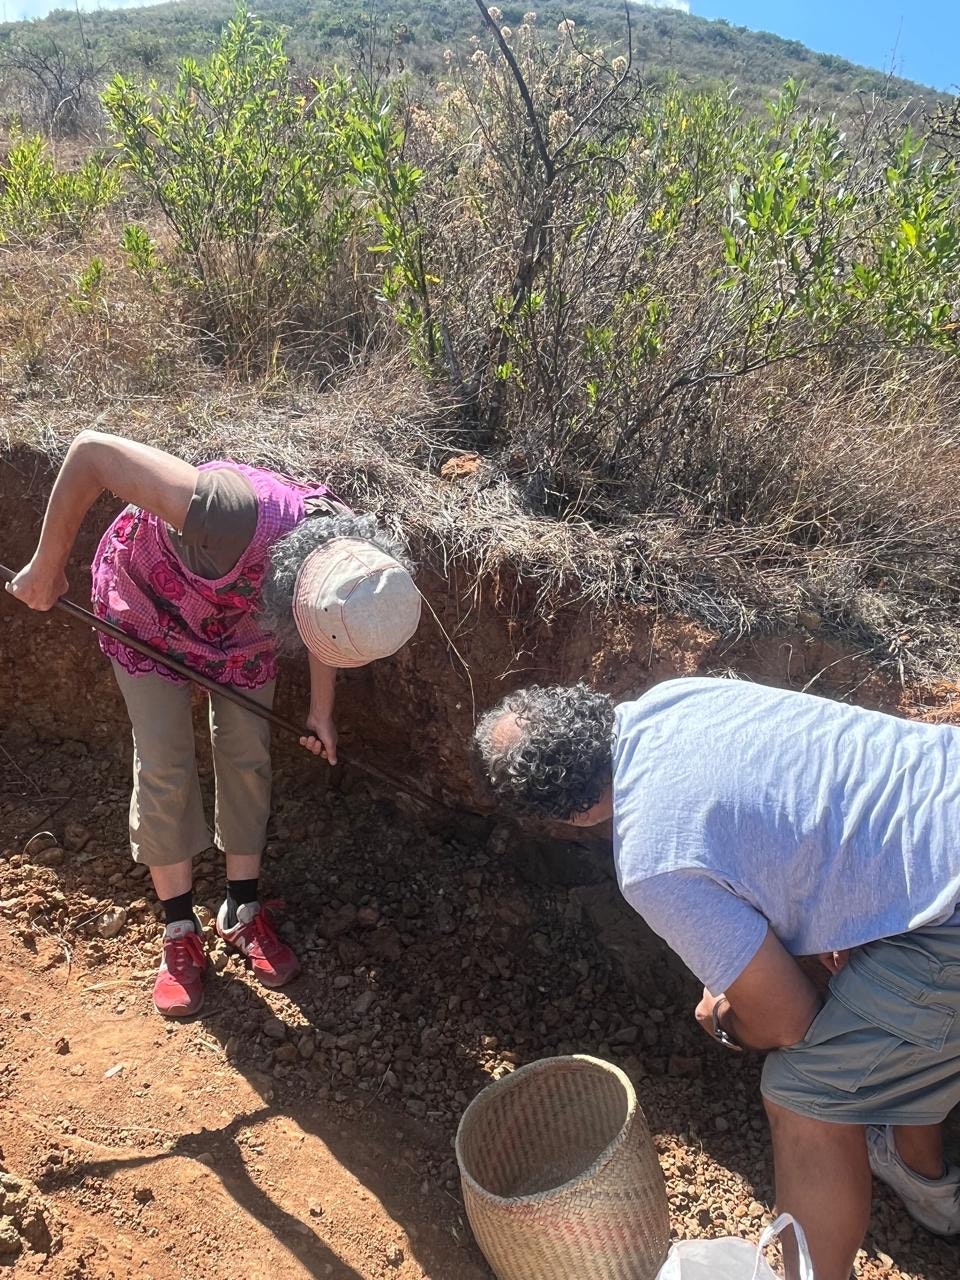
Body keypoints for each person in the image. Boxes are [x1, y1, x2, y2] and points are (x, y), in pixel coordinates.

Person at [474, 677, 960, 1280]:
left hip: (947, 922)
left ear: (566, 816)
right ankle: (922, 1175)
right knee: (875, 993)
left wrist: (725, 1019)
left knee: (807, 1091)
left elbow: (788, 1020)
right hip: (941, 811)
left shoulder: (652, 859)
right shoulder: (678, 697)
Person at [7, 430, 421, 1018]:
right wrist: (47, 566)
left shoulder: (354, 557)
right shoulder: (225, 513)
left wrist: (320, 710)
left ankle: (241, 910)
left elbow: (328, 626)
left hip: (240, 619)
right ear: (297, 592)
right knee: (165, 762)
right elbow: (93, 452)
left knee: (247, 750)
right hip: (149, 602)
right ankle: (179, 928)